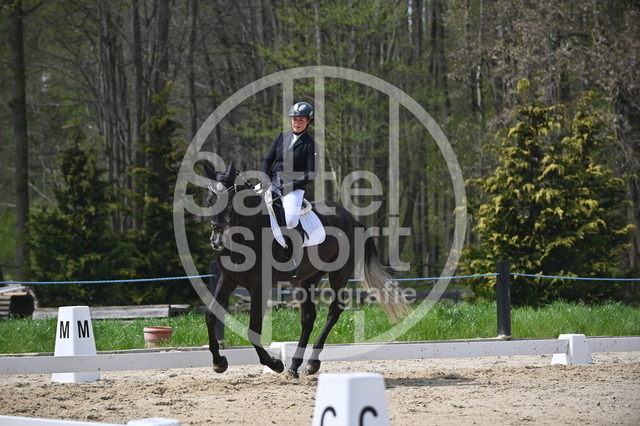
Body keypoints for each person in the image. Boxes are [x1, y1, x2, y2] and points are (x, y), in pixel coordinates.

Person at [258, 102, 317, 275]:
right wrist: (264, 178)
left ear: (308, 122)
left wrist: (290, 187)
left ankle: (292, 258)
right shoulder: (281, 137)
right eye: (294, 119)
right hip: (272, 182)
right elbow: (267, 160)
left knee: (290, 220)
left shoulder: (310, 145)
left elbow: (311, 174)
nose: (296, 123)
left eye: (300, 120)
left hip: (294, 186)